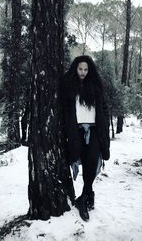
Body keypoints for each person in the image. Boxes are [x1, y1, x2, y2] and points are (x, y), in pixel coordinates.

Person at [60, 55, 110, 221]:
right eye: (80, 69)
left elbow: (103, 109)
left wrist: (105, 128)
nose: (83, 72)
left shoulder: (96, 86)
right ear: (76, 68)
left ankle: (83, 198)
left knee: (92, 161)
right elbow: (66, 112)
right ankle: (89, 195)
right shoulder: (69, 86)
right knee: (80, 159)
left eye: (86, 69)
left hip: (95, 130)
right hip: (77, 131)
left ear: (90, 70)